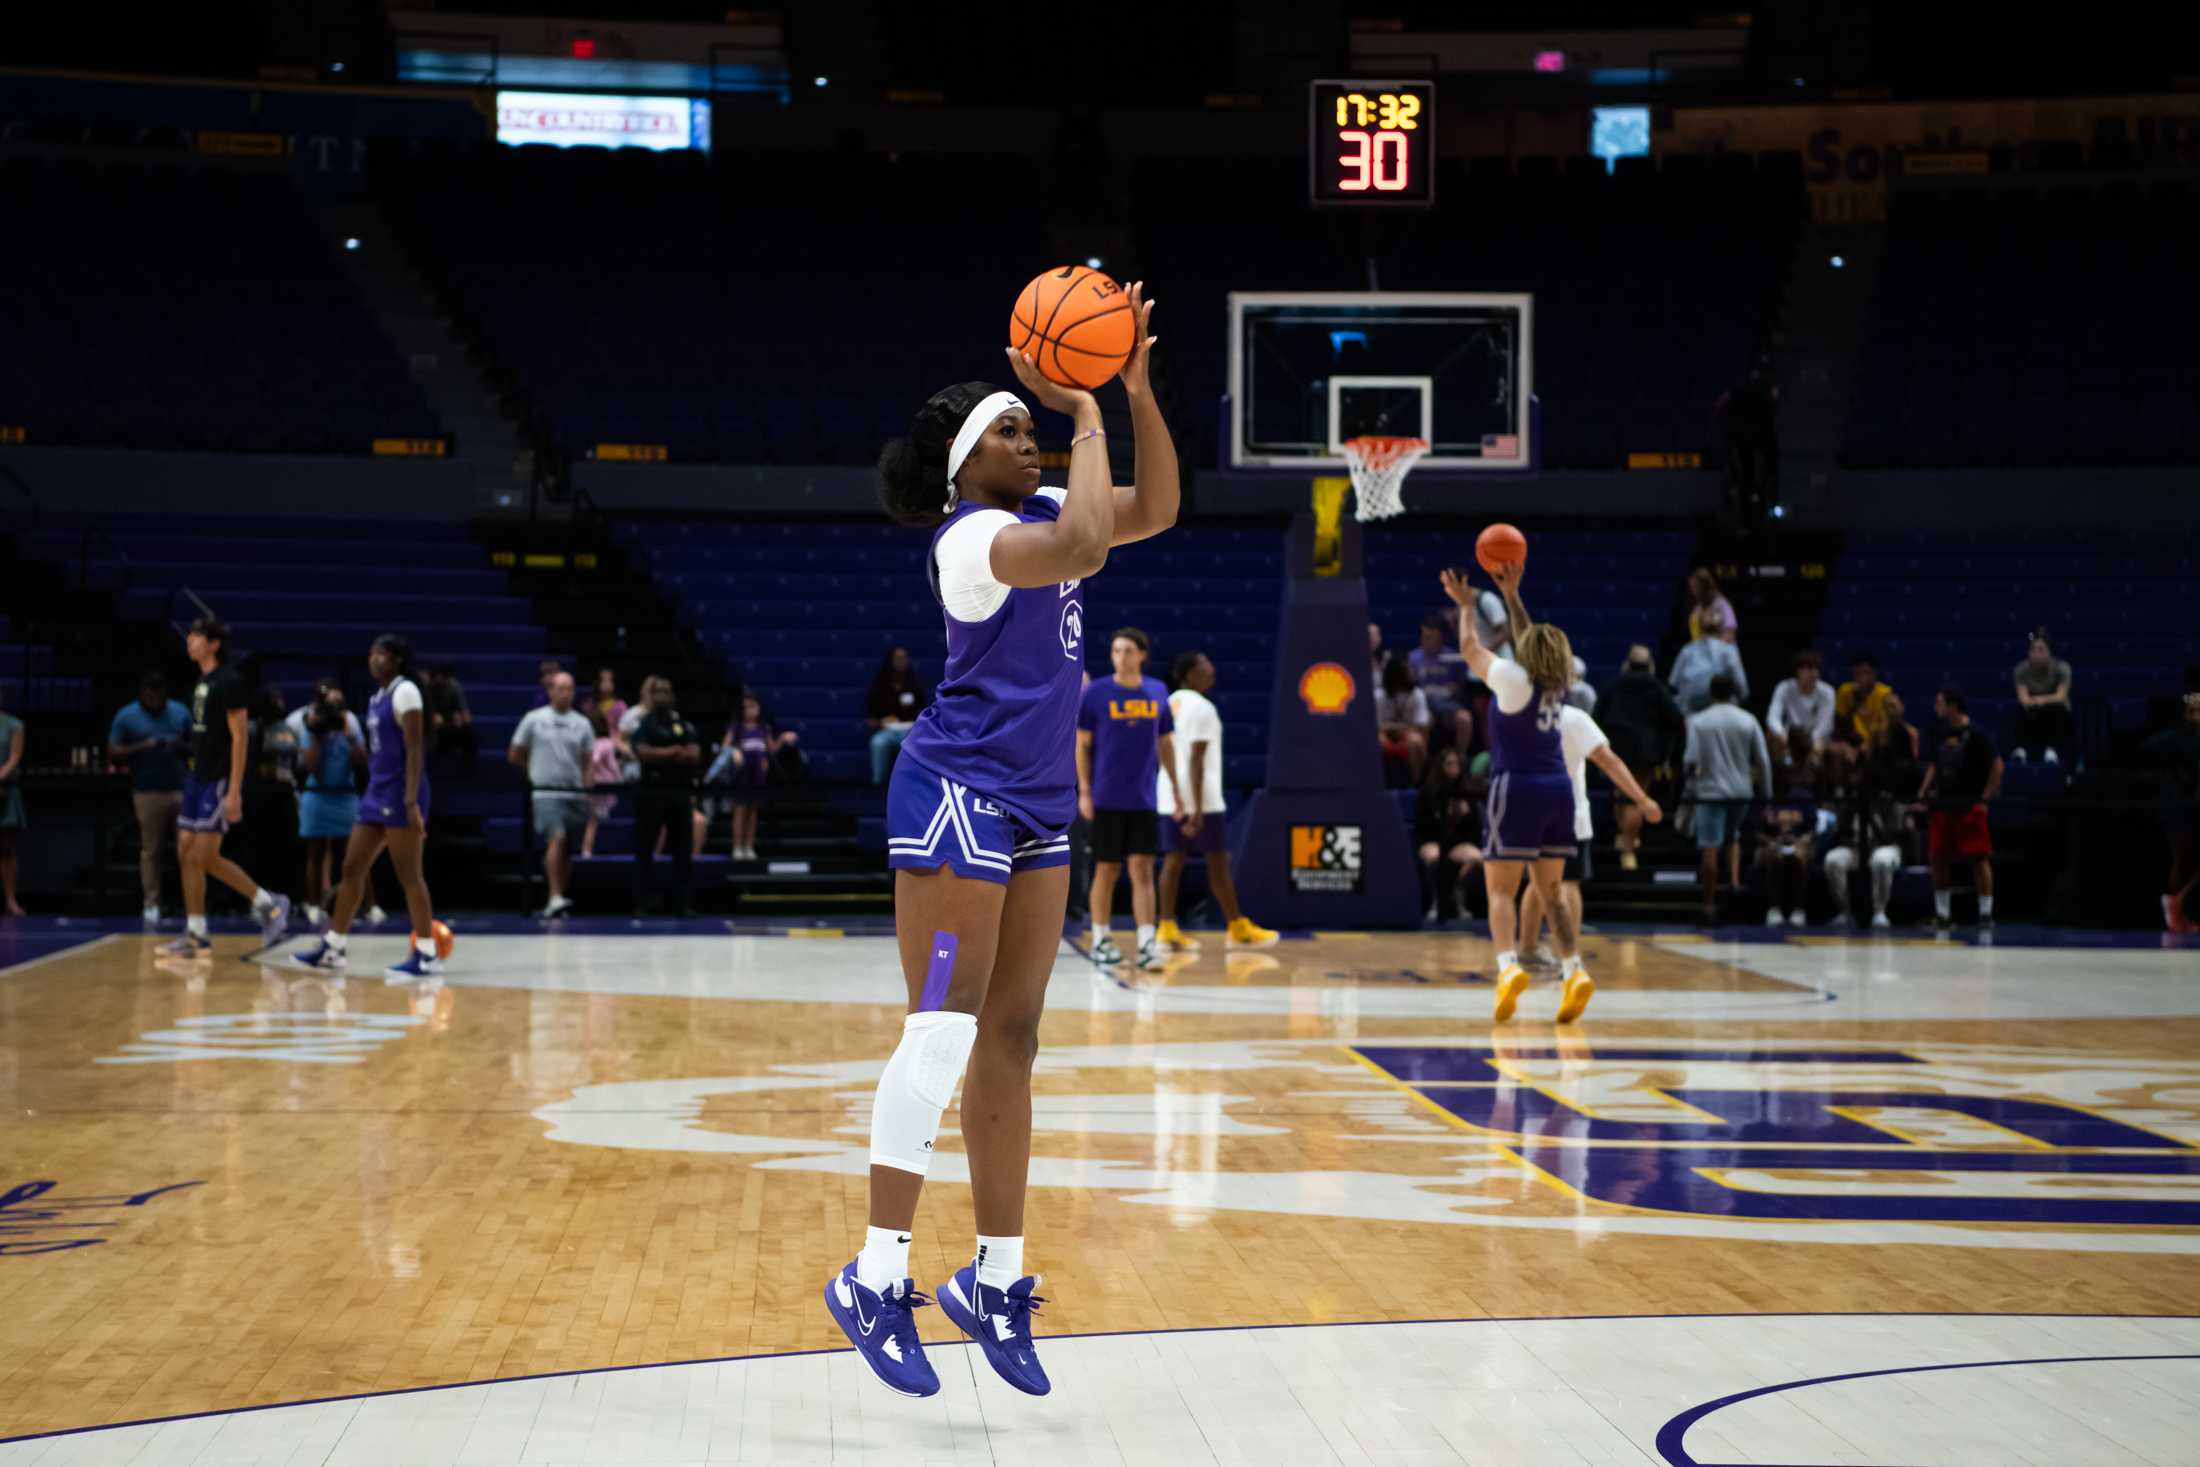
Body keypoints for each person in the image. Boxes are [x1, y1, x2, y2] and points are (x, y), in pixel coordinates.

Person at [839, 288, 1173, 1400]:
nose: (1026, 436)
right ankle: (875, 1275)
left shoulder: (1031, 510)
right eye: (1008, 428)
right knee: (940, 1031)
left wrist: (1130, 392)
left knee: (1013, 1039)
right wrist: (1081, 409)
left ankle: (994, 1278)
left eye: (1029, 427)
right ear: (960, 462)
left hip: (1034, 807)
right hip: (957, 798)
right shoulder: (975, 537)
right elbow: (1085, 534)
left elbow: (1157, 509)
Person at [1438, 556, 1595, 1025]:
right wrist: (1511, 595)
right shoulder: (1558, 683)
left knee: (1500, 889)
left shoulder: (1510, 679)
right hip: (1558, 791)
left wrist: (1467, 606)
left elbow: (1468, 648)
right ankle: (1574, 969)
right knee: (1552, 890)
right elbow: (1530, 642)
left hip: (1517, 787)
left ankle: (1507, 967)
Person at [292, 635, 448, 981]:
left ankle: (426, 953)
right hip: (377, 793)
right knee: (351, 868)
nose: (374, 659)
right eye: (371, 654)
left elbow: (415, 750)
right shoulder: (378, 697)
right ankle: (334, 945)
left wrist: (410, 801)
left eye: (381, 654)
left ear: (397, 660)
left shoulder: (405, 691)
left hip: (400, 794)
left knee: (409, 874)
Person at [161, 617, 291, 955]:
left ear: (214, 643)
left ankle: (269, 903)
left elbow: (239, 739)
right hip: (196, 776)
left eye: (196, 635)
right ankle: (196, 931)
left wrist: (234, 790)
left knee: (206, 856)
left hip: (217, 779)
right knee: (185, 852)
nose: (189, 640)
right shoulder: (202, 682)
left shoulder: (230, 681)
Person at [1152, 650, 1278, 951]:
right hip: (1201, 798)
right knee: (1217, 862)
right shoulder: (1204, 708)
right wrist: (1195, 808)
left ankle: (1167, 927)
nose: (1212, 668)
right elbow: (1196, 759)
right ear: (1188, 675)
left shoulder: (1169, 703)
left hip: (1169, 792)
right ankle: (1237, 927)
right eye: (1204, 665)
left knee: (1174, 860)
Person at [1520, 704, 1663, 961]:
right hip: (1569, 813)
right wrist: (1641, 799)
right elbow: (1608, 761)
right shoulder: (1573, 718)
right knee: (1569, 883)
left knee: (1537, 882)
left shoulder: (1521, 715)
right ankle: (1569, 956)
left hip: (1533, 812)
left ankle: (1528, 949)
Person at [1078, 625, 1183, 971]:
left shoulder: (1157, 692)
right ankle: (1101, 938)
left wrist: (1177, 791)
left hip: (1143, 798)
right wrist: (1085, 790)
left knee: (1141, 869)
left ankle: (1146, 942)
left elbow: (1165, 743)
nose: (1121, 657)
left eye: (1128, 651)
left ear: (1142, 655)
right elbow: (1082, 744)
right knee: (1106, 869)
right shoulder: (1096, 694)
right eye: (1116, 651)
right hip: (1106, 796)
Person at [1683, 672, 1772, 926]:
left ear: (1711, 693)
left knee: (1710, 846)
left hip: (1710, 792)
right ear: (1734, 693)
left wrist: (1689, 788)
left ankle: (1709, 904)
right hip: (1741, 792)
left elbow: (1690, 760)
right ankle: (1733, 885)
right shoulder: (1748, 720)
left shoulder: (1699, 721)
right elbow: (1763, 761)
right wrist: (1766, 796)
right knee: (1732, 836)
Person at [510, 670, 596, 919]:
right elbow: (515, 754)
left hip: (574, 792)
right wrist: (532, 778)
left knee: (568, 847)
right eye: (560, 688)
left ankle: (557, 896)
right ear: (550, 691)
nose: (565, 692)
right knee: (556, 837)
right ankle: (555, 896)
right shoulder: (534, 719)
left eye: (569, 688)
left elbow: (588, 761)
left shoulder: (582, 723)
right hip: (545, 791)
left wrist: (587, 791)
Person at [1917, 685, 2002, 934]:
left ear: (1953, 705)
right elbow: (1934, 764)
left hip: (1969, 805)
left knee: (1979, 859)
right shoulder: (1939, 732)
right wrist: (1923, 791)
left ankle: (1986, 913)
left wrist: (1985, 799)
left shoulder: (1977, 734)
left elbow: (1997, 766)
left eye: (1940, 702)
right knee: (1938, 858)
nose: (1936, 707)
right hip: (1943, 806)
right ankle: (1943, 914)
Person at [108, 673, 192, 923]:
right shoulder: (126, 716)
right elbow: (112, 751)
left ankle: (191, 903)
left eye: (159, 693)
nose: (155, 698)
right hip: (146, 791)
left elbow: (198, 745)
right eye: (150, 693)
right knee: (151, 849)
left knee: (188, 851)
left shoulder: (180, 712)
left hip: (180, 789)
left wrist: (178, 746)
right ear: (142, 693)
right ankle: (152, 903)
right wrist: (141, 747)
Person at [1598, 646, 1686, 870]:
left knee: (1621, 794)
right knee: (1636, 797)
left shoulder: (1614, 684)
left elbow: (1596, 714)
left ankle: (1625, 836)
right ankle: (1628, 850)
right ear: (1650, 665)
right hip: (1643, 751)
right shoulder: (1656, 687)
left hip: (1615, 748)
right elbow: (1676, 719)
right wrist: (1666, 749)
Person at [629, 677, 702, 916]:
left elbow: (693, 754)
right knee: (645, 849)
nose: (662, 697)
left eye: (666, 692)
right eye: (658, 692)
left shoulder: (683, 724)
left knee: (682, 850)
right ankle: (643, 902)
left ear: (672, 696)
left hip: (679, 794)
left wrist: (660, 754)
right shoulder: (645, 724)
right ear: (651, 696)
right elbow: (642, 753)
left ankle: (682, 903)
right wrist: (672, 751)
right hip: (651, 794)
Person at [295, 683, 365, 926]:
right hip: (318, 794)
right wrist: (316, 735)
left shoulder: (351, 723)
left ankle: (354, 905)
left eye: (339, 706)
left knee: (351, 856)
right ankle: (313, 904)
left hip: (345, 795)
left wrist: (350, 736)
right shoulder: (312, 725)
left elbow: (362, 762)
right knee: (314, 854)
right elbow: (311, 766)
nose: (334, 711)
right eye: (330, 706)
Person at [2142, 691, 2200, 932]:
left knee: (2187, 860)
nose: (2197, 714)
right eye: (2193, 710)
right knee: (2179, 858)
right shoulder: (2175, 737)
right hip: (2180, 806)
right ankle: (2174, 906)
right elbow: (2147, 748)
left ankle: (2177, 903)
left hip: (2192, 804)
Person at [1823, 782, 1916, 930]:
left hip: (1885, 847)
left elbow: (1892, 834)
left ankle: (1880, 911)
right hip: (1854, 848)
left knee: (1881, 861)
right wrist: (1853, 841)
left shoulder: (1889, 803)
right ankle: (1845, 910)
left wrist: (1871, 815)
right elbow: (1840, 832)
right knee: (1833, 860)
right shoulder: (1850, 802)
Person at [1414, 747, 1483, 925]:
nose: (1454, 768)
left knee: (1476, 857)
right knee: (1434, 856)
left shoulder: (1467, 792)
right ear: (1440, 766)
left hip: (1459, 843)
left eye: (1457, 764)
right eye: (1449, 764)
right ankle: (1437, 902)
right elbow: (1421, 827)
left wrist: (1465, 815)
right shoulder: (1428, 793)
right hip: (1433, 841)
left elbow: (1475, 830)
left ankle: (1457, 897)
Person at [718, 693, 791, 861]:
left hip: (758, 775)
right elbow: (724, 747)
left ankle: (749, 846)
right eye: (747, 707)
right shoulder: (736, 727)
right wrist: (734, 751)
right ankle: (737, 846)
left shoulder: (763, 728)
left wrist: (782, 739)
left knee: (753, 811)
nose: (750, 710)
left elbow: (771, 750)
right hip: (741, 774)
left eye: (754, 707)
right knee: (740, 810)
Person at [1407, 613, 1474, 752]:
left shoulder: (1452, 657)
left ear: (1441, 638)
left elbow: (1462, 685)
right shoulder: (1413, 658)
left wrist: (1456, 689)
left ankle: (1459, 759)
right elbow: (1409, 686)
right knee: (1423, 721)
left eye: (1433, 638)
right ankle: (1426, 765)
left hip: (1448, 704)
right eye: (1425, 637)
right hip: (1424, 704)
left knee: (1465, 719)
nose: (1428, 641)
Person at [1754, 784, 1818, 927]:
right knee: (1774, 856)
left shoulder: (1803, 796)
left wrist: (1802, 841)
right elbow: (1757, 832)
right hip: (1772, 843)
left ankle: (1798, 909)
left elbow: (1812, 830)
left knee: (1800, 857)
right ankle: (1774, 909)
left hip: (1798, 843)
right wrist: (1772, 842)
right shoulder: (1766, 796)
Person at [867, 647, 930, 785]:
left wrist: (917, 721)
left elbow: (924, 713)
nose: (902, 661)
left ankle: (911, 784)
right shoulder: (879, 687)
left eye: (904, 658)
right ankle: (878, 784)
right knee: (878, 743)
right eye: (898, 658)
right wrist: (881, 722)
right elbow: (870, 721)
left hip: (910, 731)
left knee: (914, 744)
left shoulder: (915, 685)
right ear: (890, 661)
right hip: (886, 730)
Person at [1766, 650, 1836, 773]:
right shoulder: (1784, 687)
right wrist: (1782, 734)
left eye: (1816, 669)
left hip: (1815, 737)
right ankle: (1780, 776)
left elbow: (1826, 724)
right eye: (1809, 669)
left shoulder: (1827, 692)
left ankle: (1813, 776)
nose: (1815, 674)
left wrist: (1811, 741)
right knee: (1771, 735)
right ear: (1799, 671)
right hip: (1789, 737)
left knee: (1819, 746)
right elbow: (1772, 717)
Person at [2011, 631, 2074, 765]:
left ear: (2049, 652)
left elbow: (2061, 697)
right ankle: (2020, 750)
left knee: (2057, 709)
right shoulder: (2021, 669)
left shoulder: (2062, 668)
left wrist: (2041, 700)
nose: (2037, 653)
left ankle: (2052, 751)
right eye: (2033, 650)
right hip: (2033, 711)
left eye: (2041, 649)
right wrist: (2036, 702)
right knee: (2020, 709)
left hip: (2055, 711)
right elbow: (2023, 698)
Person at [1669, 606, 1748, 713]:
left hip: (1694, 715)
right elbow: (1742, 689)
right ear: (1720, 627)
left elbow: (1674, 683)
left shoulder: (1687, 651)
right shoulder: (1729, 651)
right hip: (1720, 714)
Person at [1376, 656, 1431, 783]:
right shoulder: (1379, 696)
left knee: (1416, 741)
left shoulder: (1417, 695)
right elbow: (1375, 726)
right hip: (1385, 734)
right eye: (1408, 670)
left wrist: (1397, 728)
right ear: (1396, 674)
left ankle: (1417, 782)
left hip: (1408, 734)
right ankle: (1378, 782)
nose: (1412, 672)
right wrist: (1399, 728)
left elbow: (1421, 726)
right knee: (1377, 740)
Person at [580, 707, 621, 859]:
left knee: (594, 820)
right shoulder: (603, 743)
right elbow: (599, 760)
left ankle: (587, 850)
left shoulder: (604, 743)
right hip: (597, 786)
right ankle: (586, 851)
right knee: (593, 821)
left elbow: (610, 765)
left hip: (601, 786)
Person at [426, 666, 476, 778]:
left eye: (444, 681)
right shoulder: (424, 687)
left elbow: (465, 712)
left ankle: (467, 772)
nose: (440, 684)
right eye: (437, 681)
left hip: (448, 724)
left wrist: (463, 723)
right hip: (427, 726)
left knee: (470, 734)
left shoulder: (453, 686)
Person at [0, 688, 22, 917]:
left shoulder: (14, 725)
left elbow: (15, 757)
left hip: (5, 791)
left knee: (6, 847)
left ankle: (10, 899)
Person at [1686, 568, 1739, 644]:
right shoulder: (1697, 609)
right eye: (1691, 587)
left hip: (1723, 653)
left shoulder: (1722, 605)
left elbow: (1729, 634)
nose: (1693, 591)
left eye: (1696, 586)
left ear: (1705, 586)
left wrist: (1713, 648)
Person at [589, 667, 627, 733]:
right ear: (597, 682)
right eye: (603, 680)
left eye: (610, 680)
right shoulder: (590, 705)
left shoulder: (620, 705)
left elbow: (624, 729)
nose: (607, 684)